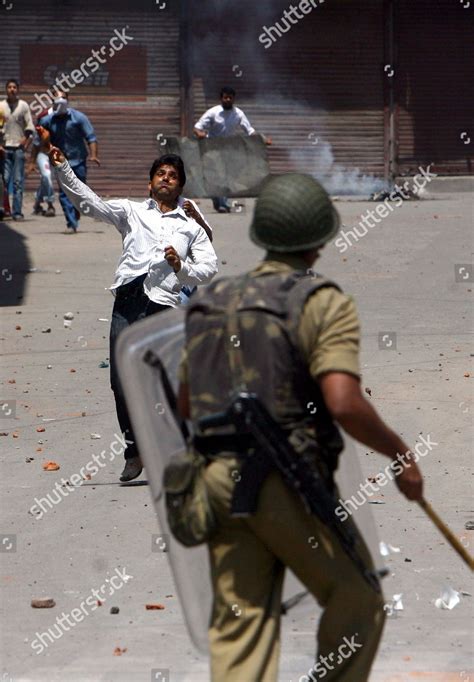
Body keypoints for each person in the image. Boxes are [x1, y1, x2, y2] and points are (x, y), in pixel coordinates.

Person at [177, 173, 424, 681]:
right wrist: (401, 454)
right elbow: (344, 402)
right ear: (320, 240)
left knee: (241, 626)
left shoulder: (212, 300)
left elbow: (185, 404)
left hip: (216, 487)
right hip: (282, 482)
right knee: (358, 599)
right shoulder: (321, 302)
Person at [40, 126, 218, 483]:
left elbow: (209, 268)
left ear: (180, 187)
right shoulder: (131, 212)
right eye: (160, 174)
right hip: (128, 301)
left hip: (165, 304)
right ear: (150, 184)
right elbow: (91, 203)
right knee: (121, 382)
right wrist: (63, 169)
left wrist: (181, 267)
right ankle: (135, 449)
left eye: (173, 176)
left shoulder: (191, 226)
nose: (166, 179)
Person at [194, 86, 271, 213]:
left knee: (225, 175)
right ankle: (218, 201)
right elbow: (197, 127)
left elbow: (249, 130)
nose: (228, 100)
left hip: (228, 148)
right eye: (225, 97)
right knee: (214, 176)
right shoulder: (213, 112)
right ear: (221, 98)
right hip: (211, 147)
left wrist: (261, 139)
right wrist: (199, 133)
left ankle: (223, 202)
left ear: (234, 99)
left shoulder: (238, 114)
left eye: (230, 97)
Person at [38, 91, 99, 232]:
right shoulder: (48, 121)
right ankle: (71, 224)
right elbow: (39, 142)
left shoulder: (79, 118)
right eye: (58, 98)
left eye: (64, 98)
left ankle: (76, 212)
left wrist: (94, 155)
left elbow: (91, 137)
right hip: (61, 163)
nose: (61, 101)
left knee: (80, 191)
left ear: (68, 100)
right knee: (65, 193)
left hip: (78, 161)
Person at [0, 79, 35, 221]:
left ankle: (17, 212)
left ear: (18, 90)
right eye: (9, 87)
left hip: (18, 149)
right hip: (3, 149)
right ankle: (2, 209)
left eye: (14, 87)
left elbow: (30, 127)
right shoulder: (1, 106)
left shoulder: (23, 106)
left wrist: (25, 142)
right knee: (3, 180)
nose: (12, 89)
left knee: (18, 181)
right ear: (6, 89)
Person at [27, 108, 56, 217]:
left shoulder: (65, 117)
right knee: (47, 176)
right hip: (43, 154)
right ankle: (50, 204)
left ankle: (37, 203)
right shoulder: (43, 120)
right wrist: (32, 162)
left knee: (46, 180)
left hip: (55, 154)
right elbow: (36, 142)